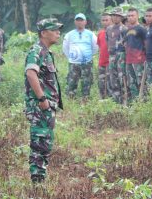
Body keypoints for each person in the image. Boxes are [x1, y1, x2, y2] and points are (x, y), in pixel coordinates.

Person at [24, 18, 63, 183]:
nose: (58, 33)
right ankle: (37, 180)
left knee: (45, 143)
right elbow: (31, 73)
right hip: (40, 106)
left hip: (46, 107)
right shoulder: (37, 51)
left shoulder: (46, 52)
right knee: (40, 142)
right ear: (44, 33)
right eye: (55, 30)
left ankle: (39, 177)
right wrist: (42, 98)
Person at [63, 13, 98, 101]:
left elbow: (95, 47)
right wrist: (72, 57)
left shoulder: (91, 34)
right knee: (72, 81)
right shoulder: (69, 35)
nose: (79, 22)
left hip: (87, 62)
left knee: (87, 81)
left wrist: (88, 55)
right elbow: (65, 48)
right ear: (75, 22)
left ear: (85, 22)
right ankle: (71, 98)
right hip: (73, 63)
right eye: (77, 20)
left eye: (81, 20)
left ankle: (85, 98)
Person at [124, 7, 147, 101]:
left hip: (139, 61)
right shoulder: (128, 30)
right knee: (131, 84)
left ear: (137, 16)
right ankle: (135, 103)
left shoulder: (142, 29)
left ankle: (144, 103)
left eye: (132, 15)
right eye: (128, 16)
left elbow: (146, 44)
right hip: (129, 60)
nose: (130, 18)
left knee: (141, 83)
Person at [106, 7, 128, 104]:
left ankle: (125, 101)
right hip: (111, 56)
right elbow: (108, 41)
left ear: (121, 17)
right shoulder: (108, 29)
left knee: (122, 77)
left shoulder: (124, 29)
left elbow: (127, 44)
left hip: (121, 55)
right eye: (113, 16)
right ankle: (116, 101)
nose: (115, 18)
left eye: (117, 16)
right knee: (112, 77)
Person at [97, 13, 112, 99]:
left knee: (111, 83)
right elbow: (100, 46)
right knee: (101, 83)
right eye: (103, 20)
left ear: (111, 20)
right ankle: (102, 99)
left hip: (112, 63)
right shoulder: (100, 33)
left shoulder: (115, 32)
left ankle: (111, 100)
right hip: (102, 62)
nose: (105, 22)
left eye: (107, 20)